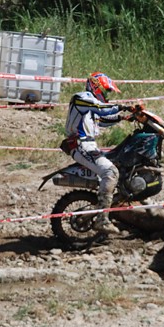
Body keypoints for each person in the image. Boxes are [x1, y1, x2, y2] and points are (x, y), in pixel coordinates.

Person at [64, 71, 130, 234]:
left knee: (122, 166)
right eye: (106, 91)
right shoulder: (81, 97)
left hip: (89, 145)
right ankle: (102, 220)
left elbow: (102, 120)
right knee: (110, 171)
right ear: (96, 86)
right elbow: (101, 108)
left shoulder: (89, 106)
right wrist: (123, 106)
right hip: (81, 144)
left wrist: (126, 117)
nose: (107, 95)